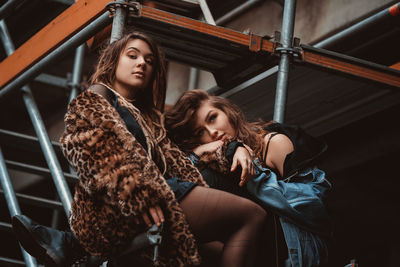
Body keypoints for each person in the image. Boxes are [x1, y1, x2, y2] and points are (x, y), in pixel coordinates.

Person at [12, 32, 268, 267]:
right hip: (129, 201)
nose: (142, 63)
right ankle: (73, 245)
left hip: (155, 195)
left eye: (149, 61)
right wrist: (139, 192)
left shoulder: (149, 118)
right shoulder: (97, 95)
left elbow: (178, 163)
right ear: (114, 61)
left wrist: (233, 147)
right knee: (251, 215)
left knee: (217, 249)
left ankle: (73, 247)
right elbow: (93, 150)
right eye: (132, 55)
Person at [164, 89, 333, 267]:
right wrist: (198, 153)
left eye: (212, 118)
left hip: (295, 248)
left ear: (227, 111)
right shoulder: (216, 160)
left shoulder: (274, 143)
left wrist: (255, 176)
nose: (212, 132)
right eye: (200, 133)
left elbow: (314, 208)